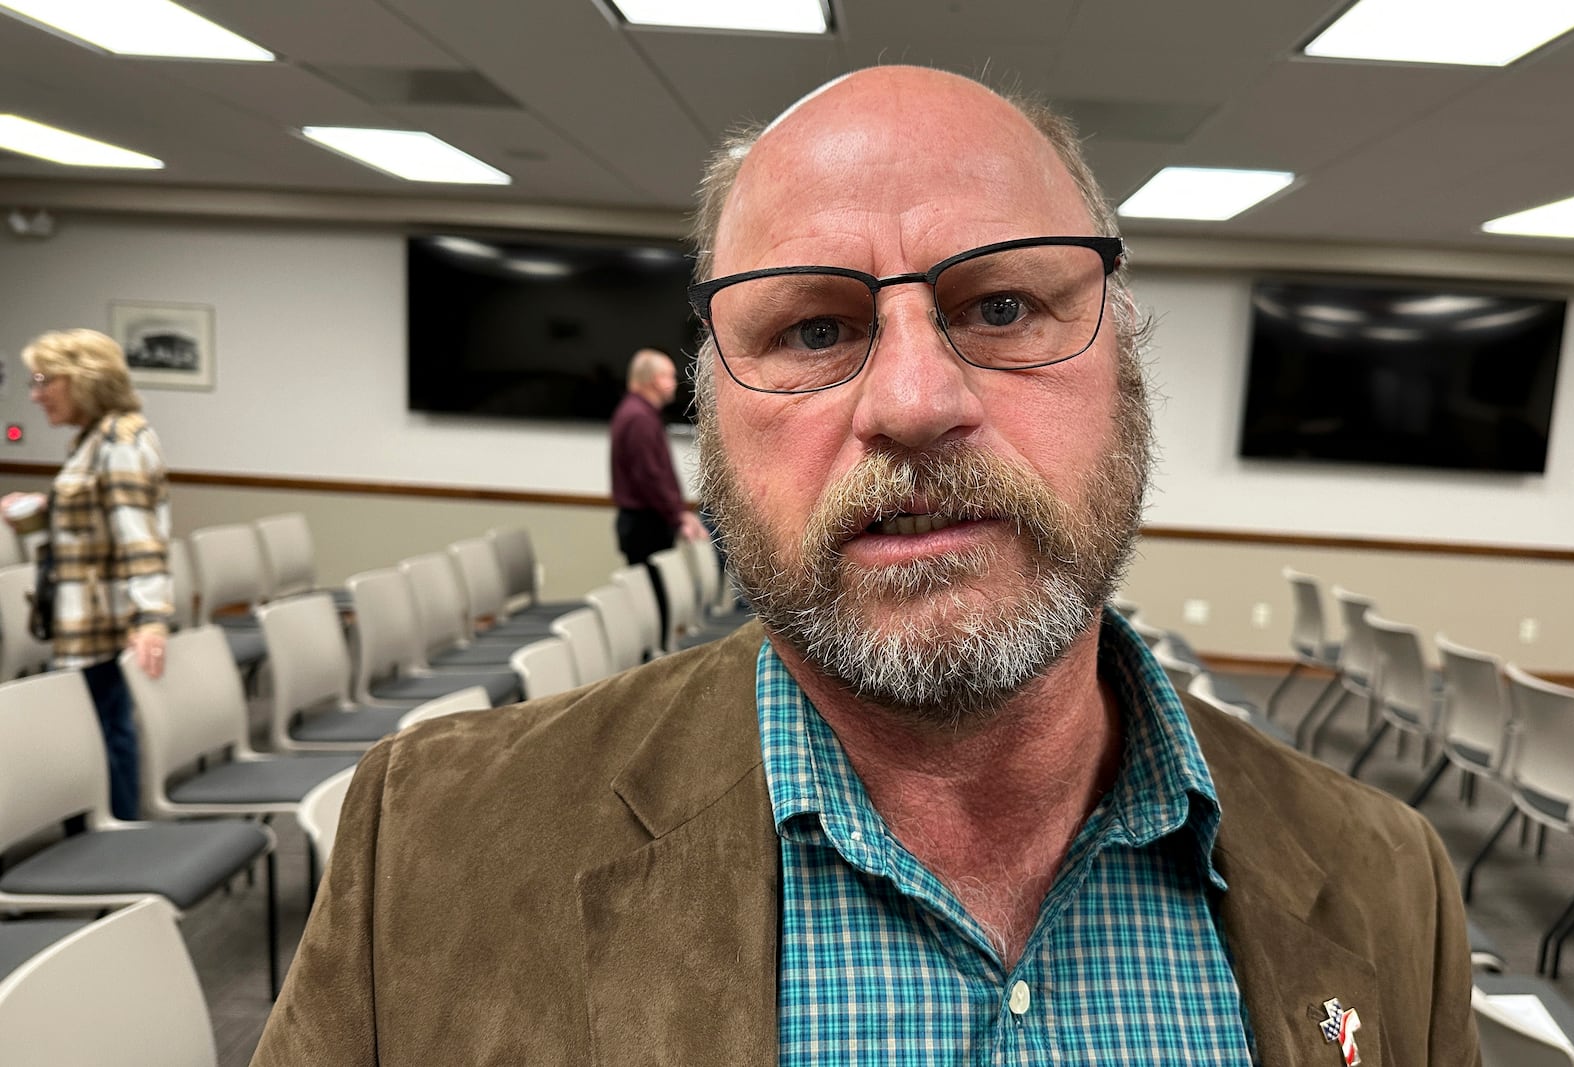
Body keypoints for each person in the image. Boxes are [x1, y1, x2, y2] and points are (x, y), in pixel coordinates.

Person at [254, 67, 1477, 1065]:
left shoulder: (1389, 884)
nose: (911, 400)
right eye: (815, 328)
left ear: (1126, 364)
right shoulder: (434, 844)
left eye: (1001, 307)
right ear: (710, 418)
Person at [3, 329, 172, 821]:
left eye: (42, 381)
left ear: (82, 379)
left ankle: (114, 849)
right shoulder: (92, 440)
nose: (34, 396)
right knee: (98, 736)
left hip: (105, 625)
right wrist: (36, 508)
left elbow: (140, 537)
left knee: (102, 742)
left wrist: (151, 619)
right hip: (83, 622)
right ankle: (111, 841)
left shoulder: (121, 442)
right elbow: (90, 517)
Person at [609, 347, 706, 636]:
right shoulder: (639, 417)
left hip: (647, 521)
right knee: (655, 606)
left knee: (657, 603)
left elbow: (656, 475)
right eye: (669, 376)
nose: (674, 383)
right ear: (653, 380)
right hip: (645, 524)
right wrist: (678, 517)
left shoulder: (639, 413)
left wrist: (679, 514)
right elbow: (651, 477)